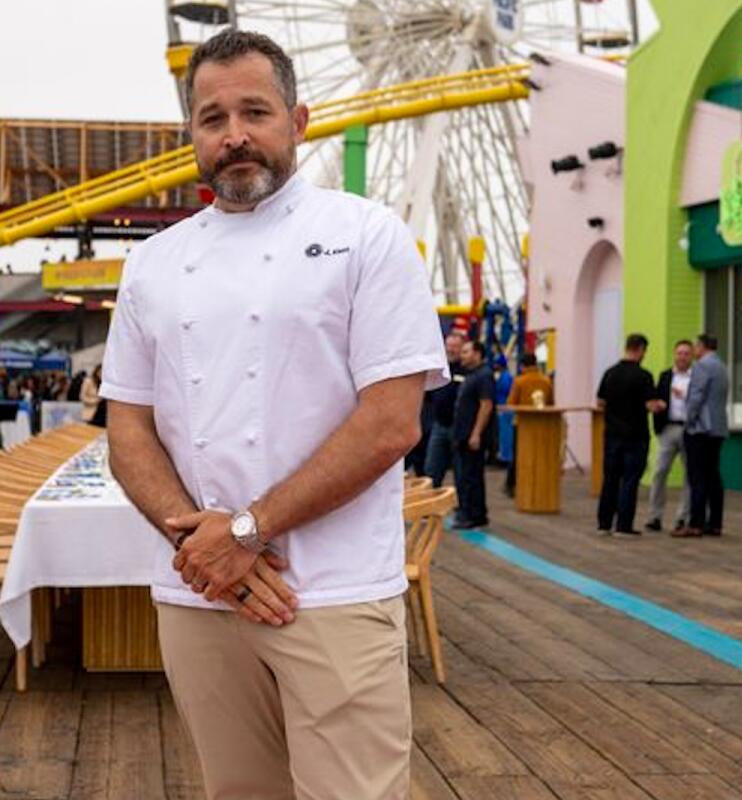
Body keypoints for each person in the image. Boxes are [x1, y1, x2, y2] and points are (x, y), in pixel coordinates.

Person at [100, 29, 447, 799]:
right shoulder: (152, 263)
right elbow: (127, 428)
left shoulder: (368, 237)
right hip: (200, 595)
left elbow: (391, 421)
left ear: (300, 119)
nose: (234, 136)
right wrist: (202, 547)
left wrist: (246, 532)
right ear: (190, 135)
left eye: (255, 111)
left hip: (335, 592)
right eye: (212, 118)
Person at [596, 333, 661, 537]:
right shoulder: (644, 376)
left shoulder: (610, 373)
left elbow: (600, 402)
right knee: (630, 480)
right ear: (640, 349)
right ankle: (624, 525)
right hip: (636, 435)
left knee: (610, 479)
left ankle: (604, 524)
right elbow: (650, 405)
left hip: (612, 434)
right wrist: (661, 405)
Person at [676, 334, 729, 538]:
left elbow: (697, 396)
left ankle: (695, 523)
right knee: (713, 475)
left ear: (702, 347)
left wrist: (688, 420)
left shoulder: (701, 366)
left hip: (700, 428)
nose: (694, 351)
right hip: (717, 427)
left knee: (697, 476)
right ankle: (715, 523)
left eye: (696, 346)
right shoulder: (722, 366)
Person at [645, 340, 694, 532]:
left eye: (686, 353)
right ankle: (654, 516)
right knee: (659, 472)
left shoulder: (697, 377)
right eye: (679, 353)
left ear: (691, 357)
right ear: (674, 355)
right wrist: (658, 406)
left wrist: (684, 396)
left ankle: (683, 517)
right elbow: (656, 397)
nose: (682, 357)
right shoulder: (665, 376)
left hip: (690, 429)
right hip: (668, 429)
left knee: (689, 475)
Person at [452, 339, 495, 528]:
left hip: (472, 436)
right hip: (463, 434)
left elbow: (486, 405)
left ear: (477, 354)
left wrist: (476, 433)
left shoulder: (484, 376)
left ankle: (472, 516)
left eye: (466, 352)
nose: (462, 355)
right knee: (467, 475)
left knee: (471, 477)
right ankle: (473, 512)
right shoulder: (472, 375)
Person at [504, 352, 554, 497]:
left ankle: (512, 485)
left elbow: (511, 403)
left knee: (518, 455)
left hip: (521, 424)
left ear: (522, 366)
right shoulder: (546, 381)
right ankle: (538, 484)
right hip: (542, 424)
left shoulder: (519, 381)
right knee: (539, 455)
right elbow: (550, 402)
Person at [424, 331, 466, 488]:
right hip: (439, 426)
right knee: (432, 470)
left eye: (455, 346)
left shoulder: (466, 370)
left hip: (459, 429)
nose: (451, 350)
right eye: (449, 346)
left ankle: (463, 510)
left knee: (461, 473)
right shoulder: (439, 368)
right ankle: (428, 510)